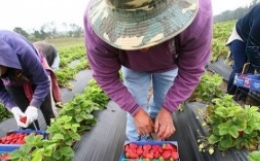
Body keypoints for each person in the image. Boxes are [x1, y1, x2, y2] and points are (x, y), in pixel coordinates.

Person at [84, 0, 213, 141]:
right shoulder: (97, 26)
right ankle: (136, 142)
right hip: (132, 66)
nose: (144, 47)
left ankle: (158, 132)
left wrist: (168, 109)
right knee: (136, 104)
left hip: (168, 64)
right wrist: (135, 111)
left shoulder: (198, 14)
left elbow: (191, 71)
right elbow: (105, 77)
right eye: (132, 32)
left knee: (163, 102)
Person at [0, 22, 59, 130]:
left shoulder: (22, 50)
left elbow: (43, 82)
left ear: (1, 59)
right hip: (11, 81)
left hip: (32, 73)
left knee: (47, 109)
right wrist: (13, 108)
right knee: (23, 115)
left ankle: (55, 136)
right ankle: (33, 140)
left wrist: (33, 106)